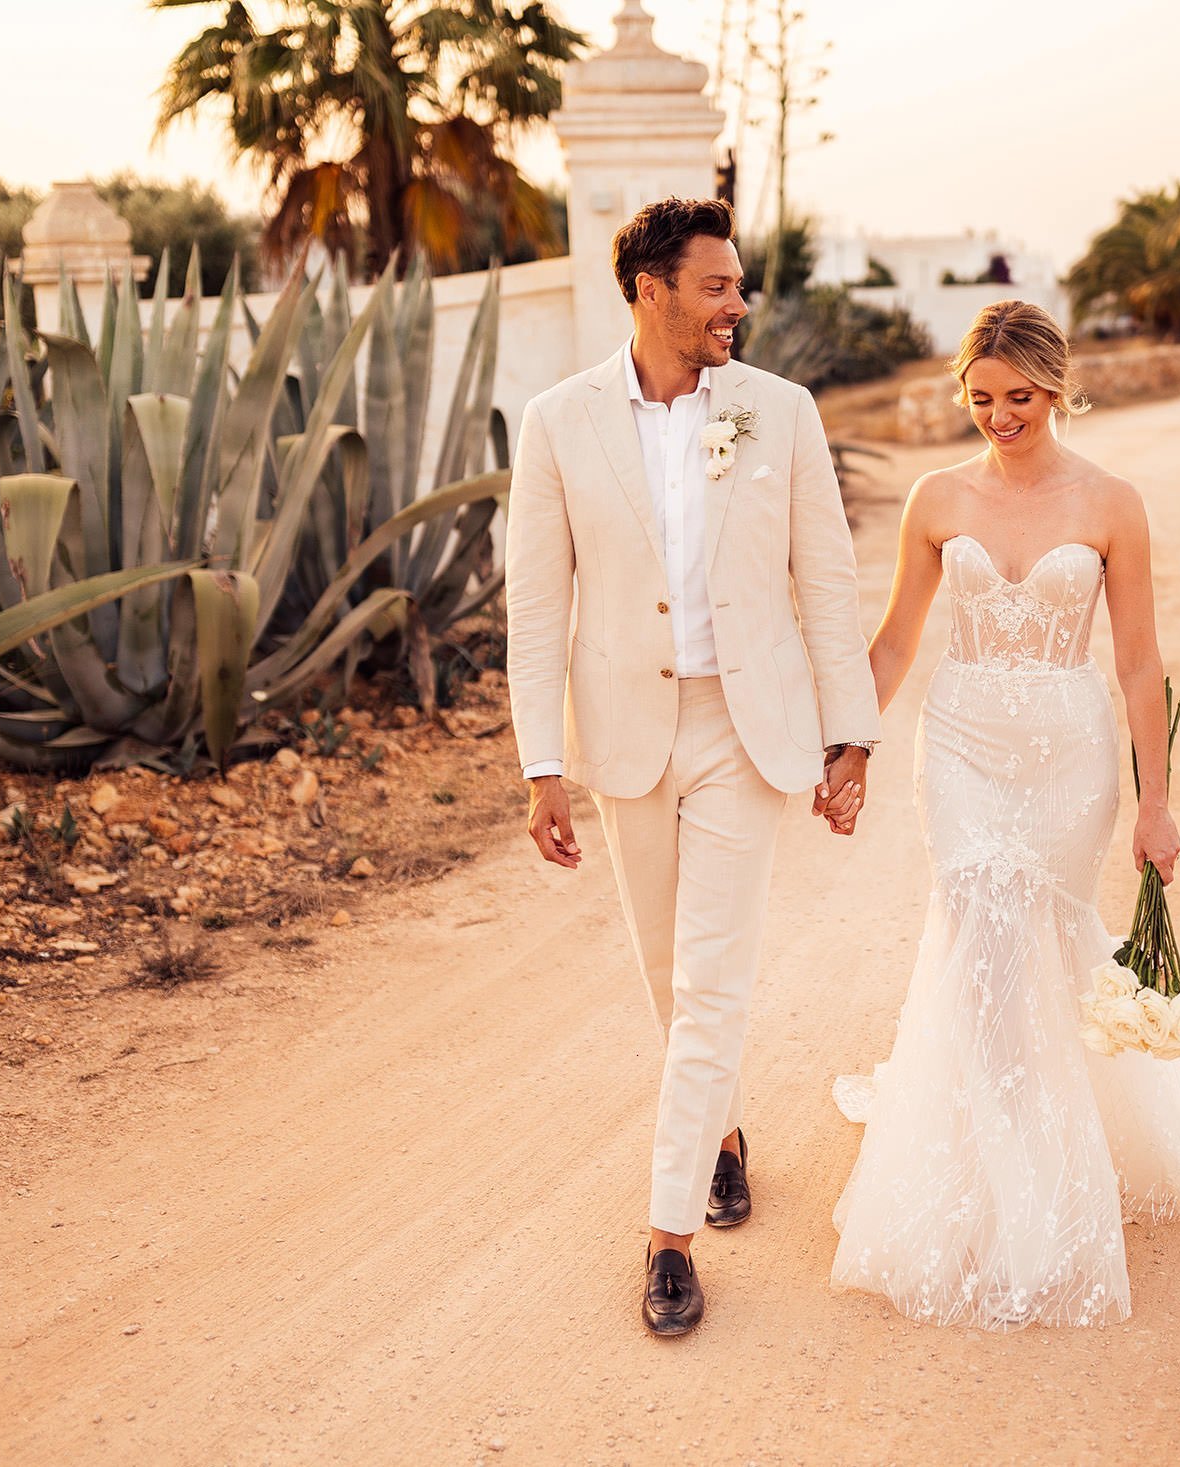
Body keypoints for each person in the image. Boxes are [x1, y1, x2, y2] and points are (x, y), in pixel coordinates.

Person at [830, 300, 1180, 1330]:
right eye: (980, 398)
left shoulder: (1111, 504)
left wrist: (1159, 804)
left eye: (1018, 397)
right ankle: (1006, 1172)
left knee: (1042, 940)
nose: (999, 416)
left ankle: (1055, 1148)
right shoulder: (935, 497)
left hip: (1068, 757)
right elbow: (891, 645)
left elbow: (1140, 661)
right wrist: (849, 744)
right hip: (964, 749)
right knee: (980, 926)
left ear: (1055, 389)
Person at [504, 196, 879, 1337]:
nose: (737, 304)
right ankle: (718, 1133)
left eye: (738, 284)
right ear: (649, 291)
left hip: (743, 731)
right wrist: (541, 762)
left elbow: (826, 580)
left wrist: (847, 734)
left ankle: (667, 1238)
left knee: (712, 983)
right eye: (715, 286)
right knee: (670, 979)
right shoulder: (558, 421)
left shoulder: (782, 411)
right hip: (624, 734)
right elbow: (535, 601)